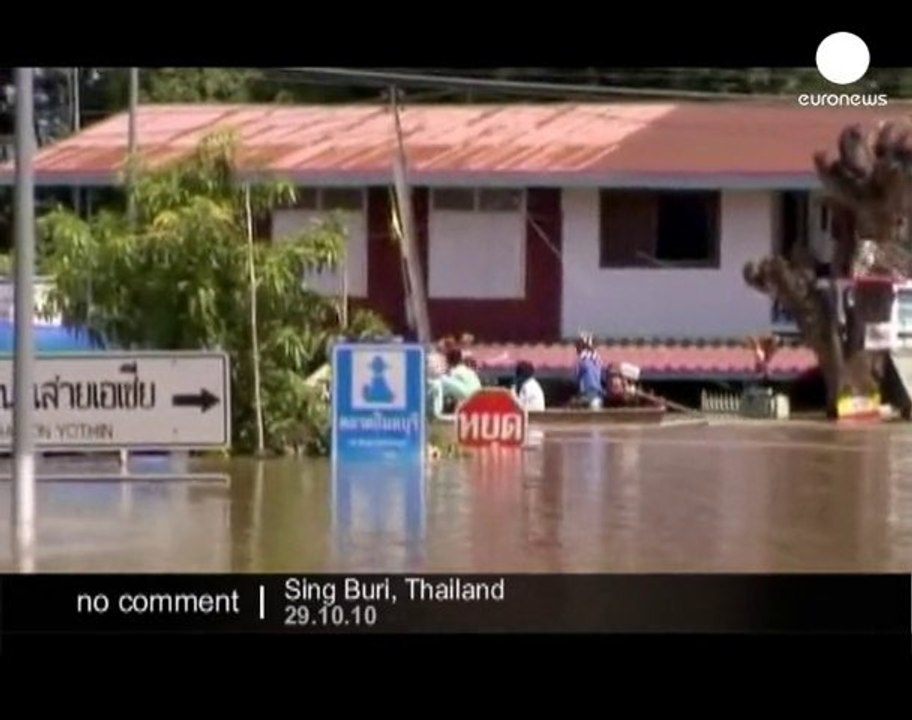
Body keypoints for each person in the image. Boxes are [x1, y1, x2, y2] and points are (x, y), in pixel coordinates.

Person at [428, 347, 482, 418]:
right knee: (441, 384)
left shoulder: (457, 370)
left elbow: (445, 383)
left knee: (440, 382)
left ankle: (431, 410)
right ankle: (432, 407)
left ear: (449, 360)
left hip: (471, 394)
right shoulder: (465, 369)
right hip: (478, 395)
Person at [574, 333, 604, 409]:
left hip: (587, 394)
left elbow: (576, 376)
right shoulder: (597, 359)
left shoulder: (582, 360)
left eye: (578, 345)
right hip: (597, 394)